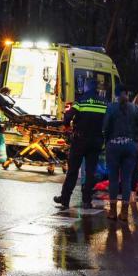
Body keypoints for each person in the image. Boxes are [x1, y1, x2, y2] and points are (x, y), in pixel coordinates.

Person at [53, 80, 107, 210]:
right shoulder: (104, 103)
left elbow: (68, 117)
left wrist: (66, 125)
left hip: (79, 141)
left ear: (86, 88)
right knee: (90, 172)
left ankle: (65, 199)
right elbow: (108, 122)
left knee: (72, 171)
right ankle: (87, 200)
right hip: (96, 142)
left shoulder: (80, 101)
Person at [103, 86, 138, 221]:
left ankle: (113, 211)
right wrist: (134, 140)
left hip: (113, 146)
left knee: (113, 179)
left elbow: (105, 128)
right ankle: (125, 213)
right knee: (126, 179)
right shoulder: (136, 109)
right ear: (128, 94)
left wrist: (108, 140)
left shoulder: (110, 108)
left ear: (115, 94)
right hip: (130, 146)